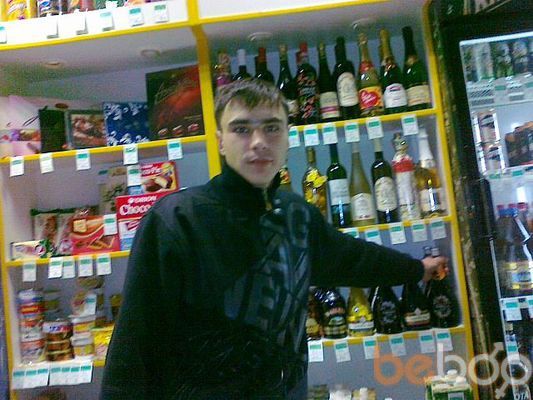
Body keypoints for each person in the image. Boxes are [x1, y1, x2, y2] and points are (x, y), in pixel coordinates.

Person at [100, 79, 447, 400]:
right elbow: (133, 343)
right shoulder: (177, 220)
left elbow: (353, 259)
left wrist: (417, 269)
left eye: (272, 127)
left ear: (287, 137)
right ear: (219, 140)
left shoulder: (296, 214)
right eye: (241, 129)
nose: (259, 142)